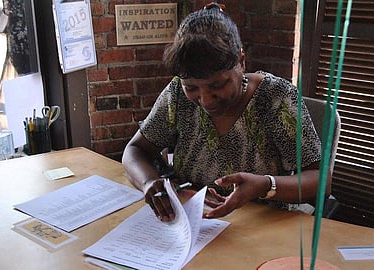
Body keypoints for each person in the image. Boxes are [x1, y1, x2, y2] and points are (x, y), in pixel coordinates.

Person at [122, 2, 331, 222]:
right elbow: (135, 150)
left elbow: (321, 181)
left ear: (241, 61)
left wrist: (265, 185)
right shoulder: (177, 93)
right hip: (192, 225)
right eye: (192, 87)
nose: (205, 99)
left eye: (217, 85)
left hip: (262, 227)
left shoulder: (275, 98)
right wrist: (148, 182)